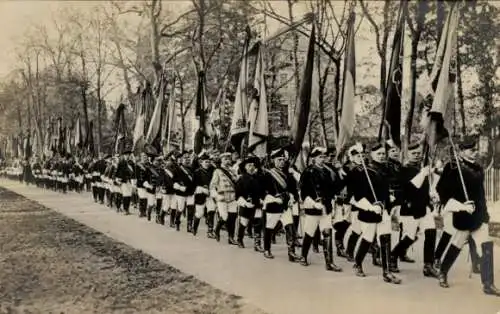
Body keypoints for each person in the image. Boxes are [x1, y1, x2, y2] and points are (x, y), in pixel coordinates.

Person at [435, 137, 500, 296]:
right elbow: (441, 189)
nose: (475, 152)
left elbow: (480, 194)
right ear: (461, 151)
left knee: (486, 246)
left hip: (478, 215)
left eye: (476, 149)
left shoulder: (478, 167)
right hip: (463, 215)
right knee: (456, 244)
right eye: (471, 150)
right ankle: (443, 272)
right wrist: (460, 206)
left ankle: (488, 284)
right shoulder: (452, 167)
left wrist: (485, 213)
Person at [390, 142, 439, 278]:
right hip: (410, 208)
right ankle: (393, 256)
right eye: (413, 153)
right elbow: (410, 188)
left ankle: (428, 265)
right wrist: (423, 174)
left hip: (424, 207)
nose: (417, 156)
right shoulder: (403, 169)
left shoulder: (422, 168)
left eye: (418, 153)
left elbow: (426, 187)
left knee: (431, 233)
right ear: (407, 154)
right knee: (409, 237)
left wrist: (432, 194)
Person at [299, 146, 342, 272]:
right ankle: (303, 256)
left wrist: (339, 174)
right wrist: (312, 203)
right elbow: (303, 192)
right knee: (309, 232)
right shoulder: (308, 172)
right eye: (320, 157)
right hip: (314, 207)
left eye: (324, 157)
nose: (322, 159)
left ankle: (329, 262)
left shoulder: (329, 171)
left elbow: (335, 188)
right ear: (313, 158)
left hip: (326, 207)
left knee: (327, 233)